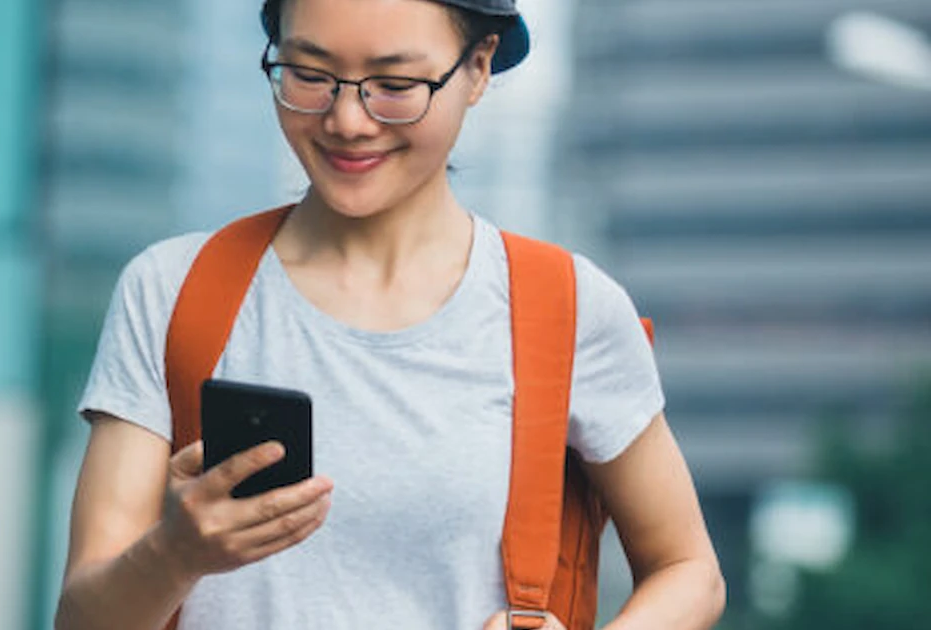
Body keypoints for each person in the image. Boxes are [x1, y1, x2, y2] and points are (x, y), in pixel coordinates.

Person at [54, 0, 726, 628]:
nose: (347, 119)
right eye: (309, 74)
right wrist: (174, 553)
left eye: (396, 84)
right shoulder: (172, 291)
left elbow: (690, 569)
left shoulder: (567, 309)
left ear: (479, 66)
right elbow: (82, 617)